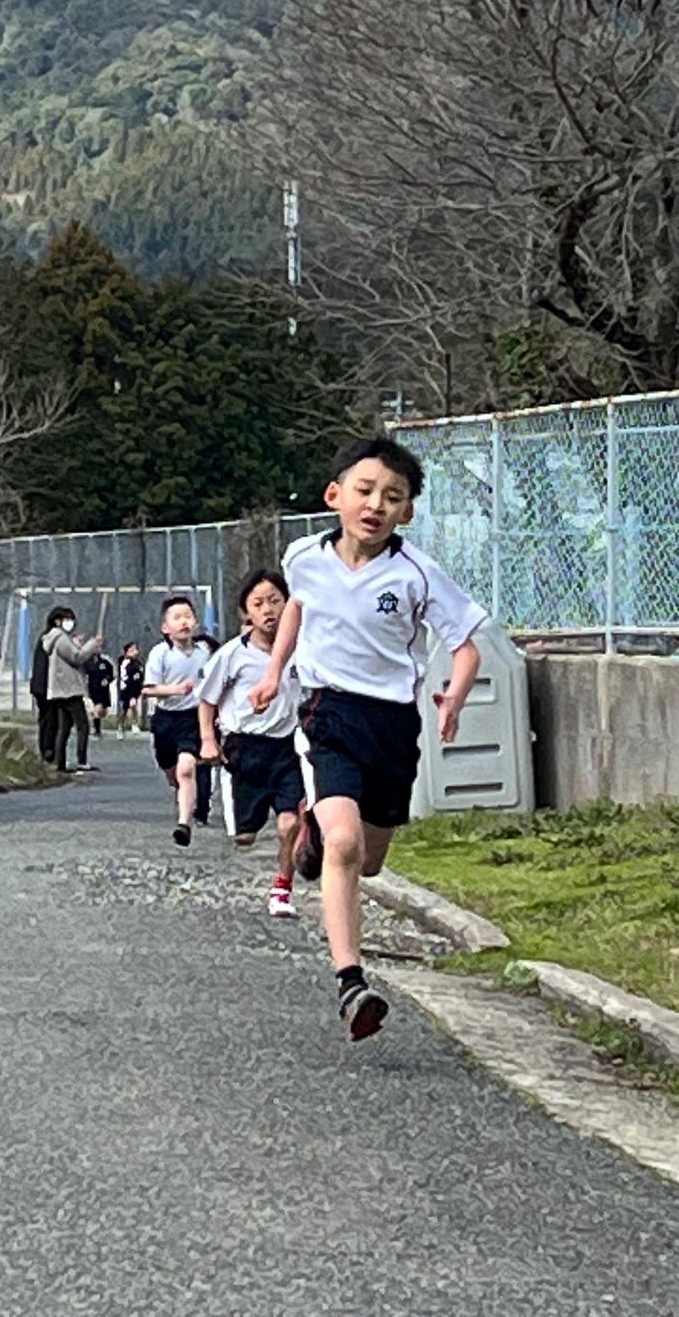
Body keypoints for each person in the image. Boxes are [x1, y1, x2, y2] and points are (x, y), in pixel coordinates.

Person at [250, 437, 485, 1042]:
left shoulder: (416, 574)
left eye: (392, 496)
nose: (376, 505)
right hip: (328, 712)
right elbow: (298, 608)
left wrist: (454, 696)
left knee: (369, 861)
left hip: (393, 724)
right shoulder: (304, 556)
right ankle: (351, 982)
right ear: (335, 495)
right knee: (346, 843)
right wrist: (275, 671)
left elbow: (465, 646)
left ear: (407, 511)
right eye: (365, 490)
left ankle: (313, 841)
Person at [197, 570, 306, 918]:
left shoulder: (303, 648)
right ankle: (246, 822)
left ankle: (282, 888)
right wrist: (208, 741)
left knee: (289, 823)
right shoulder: (232, 654)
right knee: (244, 838)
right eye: (258, 604)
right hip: (245, 749)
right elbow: (207, 700)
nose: (268, 610)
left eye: (275, 600)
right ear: (246, 612)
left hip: (288, 747)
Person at [142, 595, 212, 845]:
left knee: (187, 769)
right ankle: (182, 791)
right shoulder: (160, 653)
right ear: (165, 627)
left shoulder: (205, 653)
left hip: (193, 718)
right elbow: (147, 689)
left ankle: (184, 824)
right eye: (177, 617)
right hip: (165, 719)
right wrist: (175, 689)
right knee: (172, 771)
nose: (184, 622)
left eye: (188, 616)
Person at [39, 606, 103, 773]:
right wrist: (91, 645)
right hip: (69, 689)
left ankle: (59, 762)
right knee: (82, 725)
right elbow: (76, 657)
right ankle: (81, 760)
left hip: (60, 689)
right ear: (57, 621)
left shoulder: (55, 638)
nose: (70, 623)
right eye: (66, 619)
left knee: (65, 726)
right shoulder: (60, 638)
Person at [116, 641, 146, 734]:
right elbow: (122, 675)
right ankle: (120, 727)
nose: (134, 652)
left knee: (133, 704)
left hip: (134, 688)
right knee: (124, 709)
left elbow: (140, 674)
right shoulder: (122, 662)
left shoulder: (137, 663)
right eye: (131, 650)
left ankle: (135, 724)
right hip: (125, 689)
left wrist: (138, 679)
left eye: (135, 650)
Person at [86, 648, 114, 742]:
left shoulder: (105, 662)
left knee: (103, 712)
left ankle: (93, 718)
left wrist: (107, 680)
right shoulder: (88, 663)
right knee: (97, 709)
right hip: (93, 689)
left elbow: (111, 674)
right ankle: (97, 730)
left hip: (103, 690)